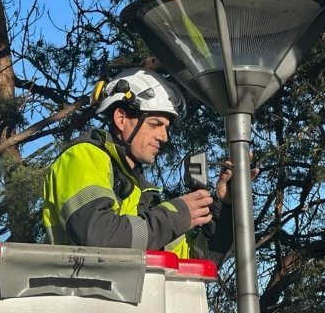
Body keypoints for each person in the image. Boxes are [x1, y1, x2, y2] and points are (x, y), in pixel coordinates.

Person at [42, 67, 236, 265]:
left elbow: (198, 261)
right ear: (121, 118)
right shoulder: (83, 156)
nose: (164, 137)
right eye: (154, 124)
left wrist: (225, 206)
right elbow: (96, 237)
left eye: (166, 128)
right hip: (81, 293)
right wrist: (175, 216)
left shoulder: (141, 193)